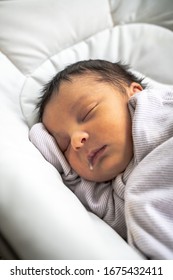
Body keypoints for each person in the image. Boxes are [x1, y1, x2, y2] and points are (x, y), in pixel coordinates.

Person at [30, 59, 173, 259]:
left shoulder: (160, 111)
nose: (77, 140)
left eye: (88, 113)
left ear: (134, 93)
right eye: (64, 146)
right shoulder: (116, 198)